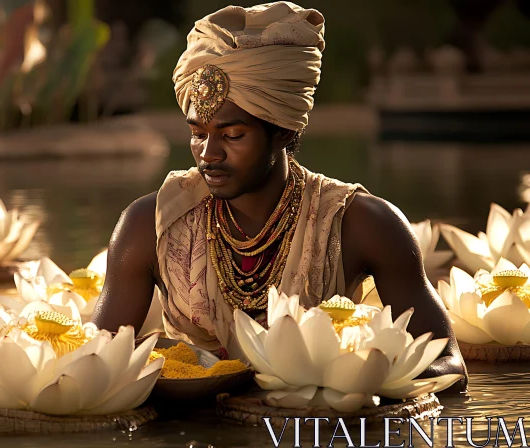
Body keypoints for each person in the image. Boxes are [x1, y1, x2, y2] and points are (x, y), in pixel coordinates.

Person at [91, 2, 467, 391]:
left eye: (232, 135)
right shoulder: (148, 225)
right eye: (198, 134)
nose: (209, 154)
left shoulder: (364, 223)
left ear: (284, 132)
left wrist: (350, 376)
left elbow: (450, 368)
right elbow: (95, 362)